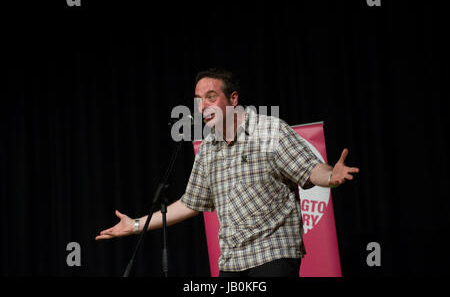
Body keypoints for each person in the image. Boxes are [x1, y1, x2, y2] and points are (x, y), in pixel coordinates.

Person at [95, 69, 359, 277]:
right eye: (198, 100)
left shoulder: (269, 131)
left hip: (273, 255)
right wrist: (136, 226)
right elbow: (190, 203)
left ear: (233, 99)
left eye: (211, 97)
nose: (202, 106)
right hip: (232, 261)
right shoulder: (208, 149)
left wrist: (330, 176)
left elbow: (311, 169)